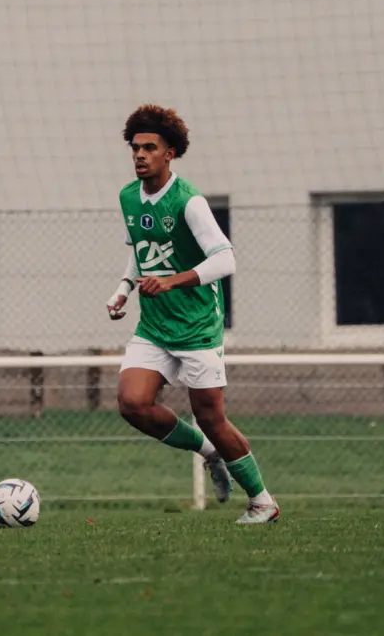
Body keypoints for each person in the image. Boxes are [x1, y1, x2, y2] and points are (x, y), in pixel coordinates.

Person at [106, 104, 279, 524]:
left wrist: (172, 281)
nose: (140, 155)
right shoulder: (129, 197)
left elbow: (226, 260)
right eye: (135, 148)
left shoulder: (190, 202)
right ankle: (209, 453)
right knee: (132, 403)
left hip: (197, 327)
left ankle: (262, 501)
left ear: (171, 153)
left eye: (150, 147)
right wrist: (124, 288)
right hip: (154, 326)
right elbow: (142, 252)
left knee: (211, 417)